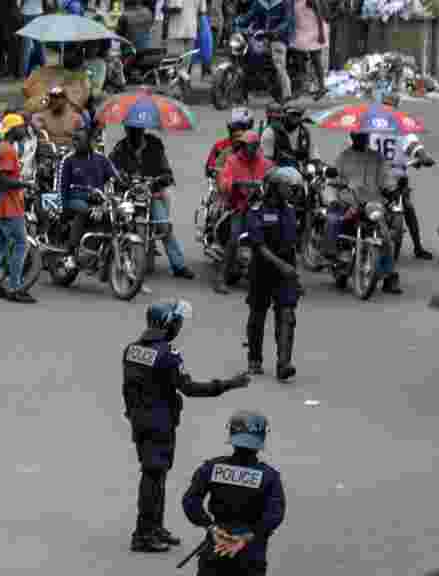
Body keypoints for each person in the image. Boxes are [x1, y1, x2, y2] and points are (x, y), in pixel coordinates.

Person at [123, 299, 250, 553]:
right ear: (168, 324)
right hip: (160, 424)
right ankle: (144, 534)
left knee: (155, 475)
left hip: (141, 422)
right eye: (178, 322)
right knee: (153, 477)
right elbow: (189, 388)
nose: (179, 327)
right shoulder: (168, 356)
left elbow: (128, 389)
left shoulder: (131, 350)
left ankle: (154, 527)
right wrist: (227, 384)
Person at [182, 410, 286, 575]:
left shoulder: (212, 468)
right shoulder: (269, 476)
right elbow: (275, 514)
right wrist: (248, 536)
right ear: (261, 439)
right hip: (250, 552)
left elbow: (190, 502)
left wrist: (211, 528)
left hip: (216, 547)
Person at [108, 123, 197, 279]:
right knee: (115, 223)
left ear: (143, 129)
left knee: (164, 226)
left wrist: (162, 178)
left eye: (137, 129)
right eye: (130, 129)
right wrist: (120, 177)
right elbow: (111, 168)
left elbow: (166, 170)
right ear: (126, 130)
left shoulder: (155, 145)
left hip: (150, 194)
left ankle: (179, 265)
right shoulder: (119, 148)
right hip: (128, 194)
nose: (134, 132)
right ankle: (112, 259)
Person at [245, 167, 302, 380]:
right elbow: (259, 246)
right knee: (258, 314)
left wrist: (295, 276)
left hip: (285, 271)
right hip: (262, 269)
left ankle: (283, 363)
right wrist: (283, 266)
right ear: (275, 188)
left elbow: (292, 246)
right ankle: (254, 359)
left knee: (287, 314)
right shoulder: (256, 210)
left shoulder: (290, 210)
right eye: (289, 187)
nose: (293, 192)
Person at [329, 131, 402, 294]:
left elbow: (387, 177)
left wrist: (393, 189)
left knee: (385, 236)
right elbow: (334, 179)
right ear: (352, 137)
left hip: (372, 203)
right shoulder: (343, 157)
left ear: (367, 137)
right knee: (340, 225)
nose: (360, 139)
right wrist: (337, 187)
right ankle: (339, 261)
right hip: (350, 201)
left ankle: (390, 276)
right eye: (357, 136)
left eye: (363, 136)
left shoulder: (377, 158)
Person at [371, 93, 435, 260]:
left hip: (393, 177)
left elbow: (413, 146)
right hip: (379, 177)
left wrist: (422, 156)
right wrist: (422, 156)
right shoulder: (400, 126)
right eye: (386, 106)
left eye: (390, 106)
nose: (388, 109)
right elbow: (413, 146)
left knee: (408, 207)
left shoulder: (371, 125)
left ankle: (418, 247)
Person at [0, 116, 37, 303]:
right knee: (21, 244)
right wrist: (26, 184)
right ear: (13, 129)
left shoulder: (1, 147)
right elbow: (6, 181)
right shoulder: (8, 151)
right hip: (10, 206)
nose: (25, 130)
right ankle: (15, 287)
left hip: (0, 205)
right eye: (22, 127)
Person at [216, 132, 273, 294]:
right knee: (234, 238)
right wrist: (232, 184)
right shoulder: (232, 161)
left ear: (256, 147)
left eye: (251, 145)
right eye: (245, 145)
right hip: (240, 208)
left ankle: (287, 279)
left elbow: (273, 179)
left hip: (261, 210)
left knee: (279, 230)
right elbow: (224, 180)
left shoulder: (265, 163)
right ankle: (221, 278)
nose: (248, 148)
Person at [58, 125, 121, 270]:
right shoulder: (68, 160)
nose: (74, 142)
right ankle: (70, 254)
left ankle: (100, 252)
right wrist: (62, 208)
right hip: (73, 200)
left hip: (98, 200)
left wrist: (122, 180)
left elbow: (114, 176)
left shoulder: (101, 159)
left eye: (78, 139)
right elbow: (61, 187)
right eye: (74, 139)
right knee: (85, 211)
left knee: (116, 215)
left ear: (89, 141)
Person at [235, 0, 294, 103]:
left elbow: (287, 21)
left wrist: (275, 32)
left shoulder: (285, 2)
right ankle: (243, 93)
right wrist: (237, 22)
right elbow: (248, 18)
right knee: (245, 58)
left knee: (279, 64)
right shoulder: (259, 3)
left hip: (278, 38)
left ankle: (286, 95)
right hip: (259, 37)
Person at [290, 0, 329, 100]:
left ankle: (322, 87)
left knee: (316, 59)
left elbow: (320, 16)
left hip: (314, 30)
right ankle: (301, 87)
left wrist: (321, 34)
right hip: (301, 31)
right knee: (299, 61)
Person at [260, 104, 312, 169]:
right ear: (285, 115)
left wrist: (316, 162)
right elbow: (267, 158)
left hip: (300, 167)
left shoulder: (304, 131)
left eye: (298, 115)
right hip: (279, 169)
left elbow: (312, 152)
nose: (295, 117)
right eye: (292, 114)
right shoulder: (270, 132)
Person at [206, 108, 254, 179]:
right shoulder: (220, 146)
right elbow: (210, 169)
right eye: (235, 128)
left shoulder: (254, 145)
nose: (238, 132)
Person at [20, 0, 46, 77]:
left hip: (26, 12)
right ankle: (44, 69)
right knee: (39, 44)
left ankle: (24, 73)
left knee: (26, 47)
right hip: (38, 12)